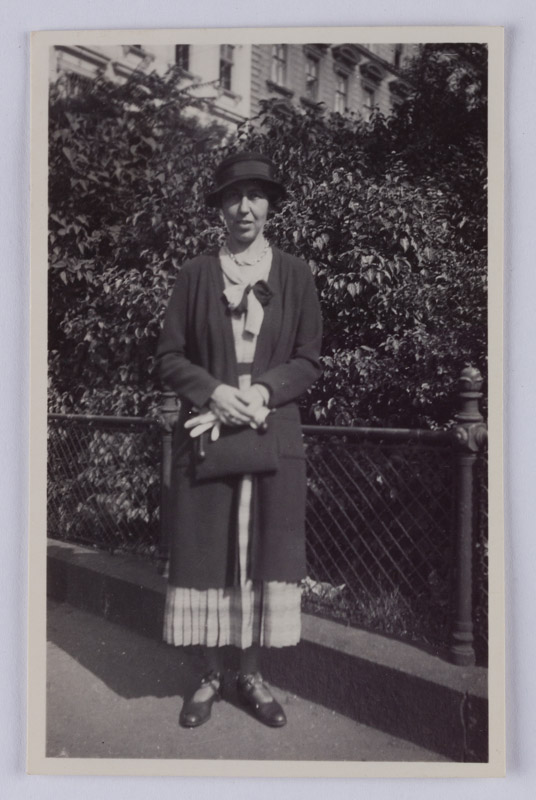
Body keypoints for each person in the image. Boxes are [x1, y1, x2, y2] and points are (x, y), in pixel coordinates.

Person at [156, 151, 323, 729]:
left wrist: (264, 392)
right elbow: (169, 357)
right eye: (234, 196)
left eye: (256, 195)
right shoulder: (196, 274)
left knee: (260, 556)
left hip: (271, 435)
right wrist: (214, 392)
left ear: (270, 205)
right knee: (207, 553)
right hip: (208, 434)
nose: (245, 206)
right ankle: (208, 675)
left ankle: (250, 674)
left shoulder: (296, 275)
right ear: (220, 208)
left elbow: (307, 361)